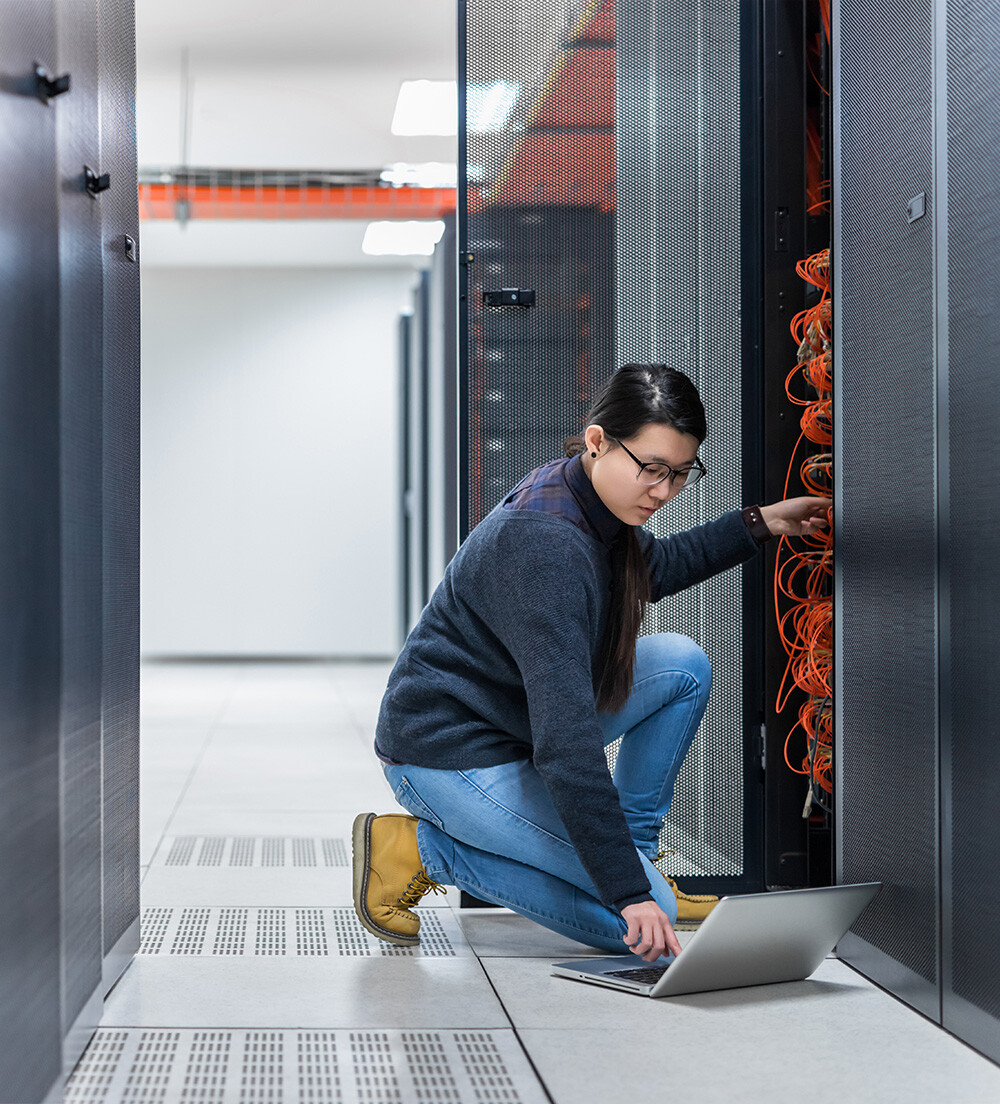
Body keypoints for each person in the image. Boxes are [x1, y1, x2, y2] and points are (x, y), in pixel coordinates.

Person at [353, 364, 830, 963]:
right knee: (638, 932)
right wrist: (629, 892)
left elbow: (651, 570)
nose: (663, 491)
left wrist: (763, 523)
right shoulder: (544, 545)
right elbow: (567, 742)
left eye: (681, 474)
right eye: (652, 469)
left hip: (514, 721)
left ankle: (632, 850)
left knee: (682, 661)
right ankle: (423, 850)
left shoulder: (588, 497)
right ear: (598, 439)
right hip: (448, 754)